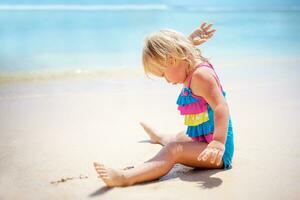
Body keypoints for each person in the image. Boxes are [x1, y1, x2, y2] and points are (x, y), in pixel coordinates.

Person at [93, 22, 234, 187]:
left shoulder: (201, 76)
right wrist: (188, 42)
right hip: (203, 138)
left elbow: (220, 106)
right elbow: (179, 53)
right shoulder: (187, 63)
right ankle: (159, 137)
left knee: (174, 149)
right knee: (180, 137)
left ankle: (125, 177)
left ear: (172, 60)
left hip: (216, 152)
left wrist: (217, 142)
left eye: (163, 74)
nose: (166, 80)